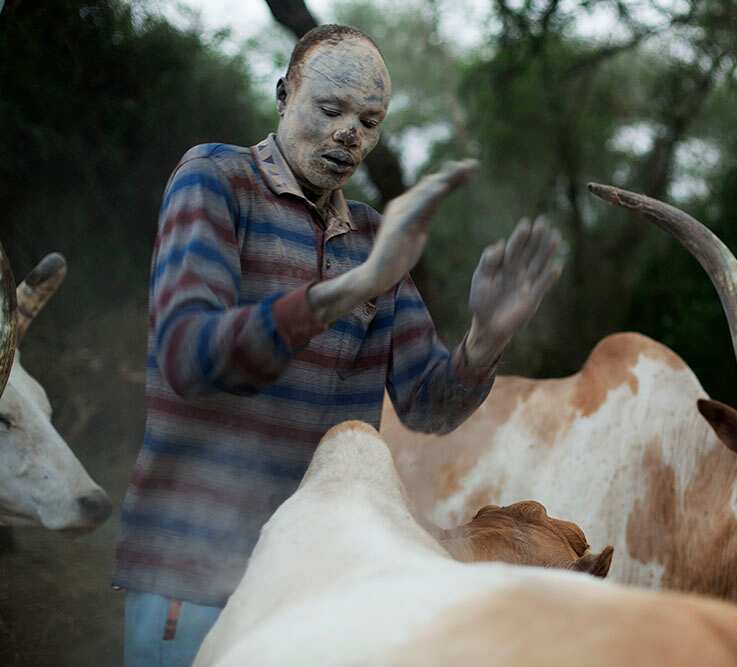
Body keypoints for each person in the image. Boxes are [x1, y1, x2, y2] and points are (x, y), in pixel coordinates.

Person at [113, 24, 563, 666]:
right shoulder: (215, 180)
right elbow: (190, 356)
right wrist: (353, 288)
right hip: (194, 568)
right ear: (283, 93)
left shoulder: (374, 238)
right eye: (331, 109)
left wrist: (486, 338)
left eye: (370, 120)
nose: (351, 133)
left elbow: (427, 404)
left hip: (319, 575)